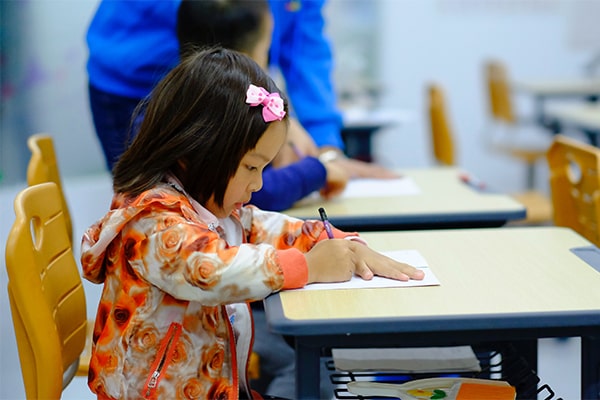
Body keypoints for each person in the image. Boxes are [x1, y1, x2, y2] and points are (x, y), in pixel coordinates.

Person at [80, 47, 423, 399]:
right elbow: (211, 270)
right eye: (251, 167)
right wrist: (307, 266)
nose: (258, 184)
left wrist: (332, 240)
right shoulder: (152, 222)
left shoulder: (208, 208)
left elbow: (261, 227)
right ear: (194, 152)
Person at [86, 0, 395, 178]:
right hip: (139, 84)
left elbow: (304, 43)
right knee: (167, 209)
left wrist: (326, 148)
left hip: (227, 79)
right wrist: (273, 111)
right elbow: (219, 25)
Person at [176, 0, 348, 212]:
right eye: (266, 51)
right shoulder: (217, 120)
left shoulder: (175, 102)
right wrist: (319, 171)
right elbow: (254, 195)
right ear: (244, 60)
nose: (256, 183)